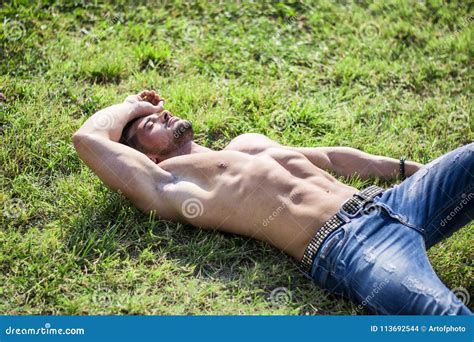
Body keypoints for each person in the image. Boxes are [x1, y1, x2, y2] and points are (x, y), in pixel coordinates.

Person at [73, 90, 473, 315]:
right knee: (448, 320)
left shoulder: (247, 145)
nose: (163, 114)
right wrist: (133, 106)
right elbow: (87, 140)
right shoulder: (171, 184)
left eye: (159, 113)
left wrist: (416, 172)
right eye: (151, 124)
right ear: (148, 159)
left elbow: (331, 159)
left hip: (393, 202)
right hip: (352, 249)